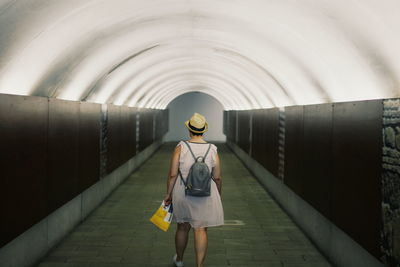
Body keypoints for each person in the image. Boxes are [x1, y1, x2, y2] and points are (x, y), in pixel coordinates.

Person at [164, 112, 224, 267]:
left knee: (183, 227)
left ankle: (179, 260)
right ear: (203, 130)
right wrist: (218, 193)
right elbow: (217, 177)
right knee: (201, 229)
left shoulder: (181, 147)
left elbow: (172, 174)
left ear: (189, 130)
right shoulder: (212, 149)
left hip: (183, 191)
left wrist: (168, 194)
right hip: (205, 193)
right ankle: (199, 265)